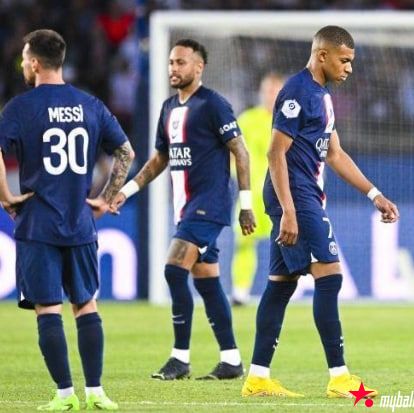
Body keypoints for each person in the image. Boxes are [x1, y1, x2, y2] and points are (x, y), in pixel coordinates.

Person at [241, 26, 399, 398]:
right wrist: (289, 211)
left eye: (351, 61)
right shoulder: (298, 92)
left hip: (300, 197)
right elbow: (275, 153)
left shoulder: (322, 96)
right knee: (330, 276)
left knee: (281, 284)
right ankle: (339, 376)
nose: (349, 68)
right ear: (322, 55)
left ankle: (258, 377)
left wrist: (374, 194)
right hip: (296, 198)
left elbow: (335, 153)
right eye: (344, 60)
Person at [0, 29, 134, 411]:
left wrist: (5, 196)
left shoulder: (21, 107)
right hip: (80, 223)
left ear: (35, 63)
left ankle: (64, 396)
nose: (23, 65)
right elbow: (125, 152)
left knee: (48, 310)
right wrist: (106, 198)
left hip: (37, 224)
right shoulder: (89, 104)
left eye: (24, 59)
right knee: (86, 306)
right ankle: (96, 393)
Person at [111, 38, 256, 380]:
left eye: (181, 62)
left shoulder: (214, 105)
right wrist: (127, 190)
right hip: (186, 208)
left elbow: (241, 151)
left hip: (210, 204)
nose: (173, 68)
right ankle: (232, 361)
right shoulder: (168, 108)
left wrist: (246, 204)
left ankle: (180, 358)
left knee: (174, 270)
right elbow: (159, 159)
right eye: (171, 62)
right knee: (207, 282)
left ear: (199, 67)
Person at [231, 72, 284, 305]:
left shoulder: (288, 121)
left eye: (275, 91)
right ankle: (240, 292)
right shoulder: (247, 119)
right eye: (268, 91)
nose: (271, 95)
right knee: (244, 242)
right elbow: (232, 151)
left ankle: (286, 288)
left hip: (280, 194)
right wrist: (237, 177)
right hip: (251, 195)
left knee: (287, 242)